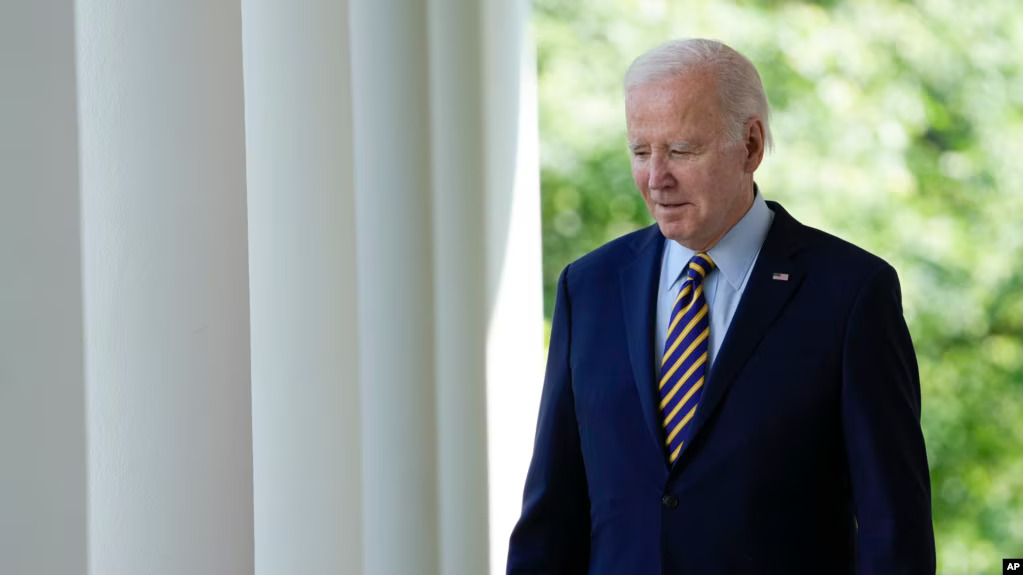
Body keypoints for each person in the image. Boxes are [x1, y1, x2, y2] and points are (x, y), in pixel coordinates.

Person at [507, 38, 936, 574]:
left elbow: (894, 531)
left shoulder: (851, 293)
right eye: (641, 151)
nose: (655, 178)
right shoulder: (588, 287)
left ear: (751, 146)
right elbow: (552, 514)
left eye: (681, 151)